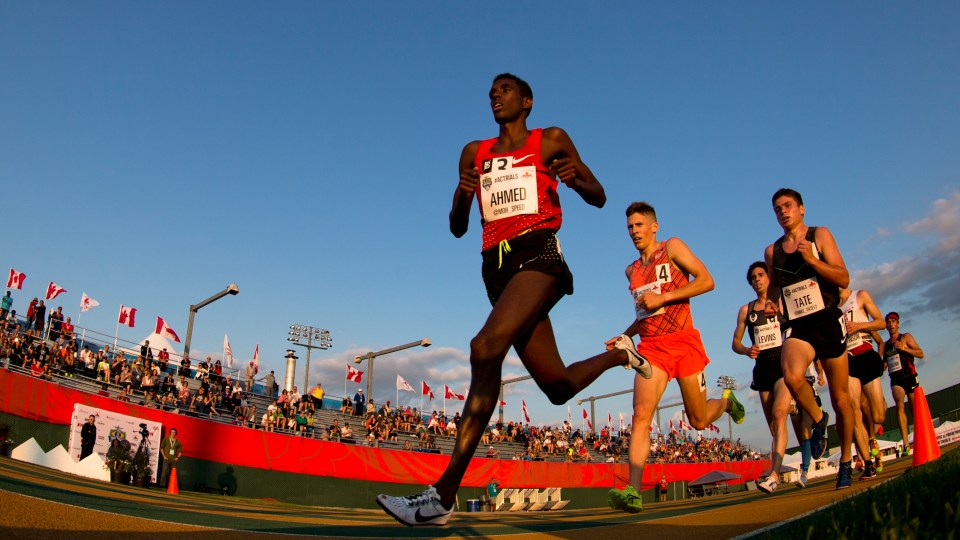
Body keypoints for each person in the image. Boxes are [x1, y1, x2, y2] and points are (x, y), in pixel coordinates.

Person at [377, 73, 651, 527]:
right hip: (496, 269)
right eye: (491, 92)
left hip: (538, 254)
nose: (495, 96)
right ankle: (621, 355)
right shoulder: (474, 152)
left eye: (504, 90)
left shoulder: (551, 139)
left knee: (485, 347)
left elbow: (599, 197)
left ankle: (442, 495)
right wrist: (462, 194)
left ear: (527, 101)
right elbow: (458, 228)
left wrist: (576, 181)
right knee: (557, 387)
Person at [607, 201, 743, 513]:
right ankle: (633, 491)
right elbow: (644, 312)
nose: (634, 231)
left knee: (698, 420)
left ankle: (727, 403)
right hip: (651, 349)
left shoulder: (672, 248)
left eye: (639, 225)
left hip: (684, 343)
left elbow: (707, 281)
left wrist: (665, 297)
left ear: (654, 226)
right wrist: (625, 336)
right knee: (641, 414)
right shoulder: (631, 270)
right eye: (629, 227)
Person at [764, 188, 857, 489]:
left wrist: (814, 261)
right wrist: (772, 302)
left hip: (827, 320)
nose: (783, 212)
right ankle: (818, 419)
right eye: (777, 209)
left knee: (841, 400)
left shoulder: (820, 235)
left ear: (802, 209)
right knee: (792, 376)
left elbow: (843, 278)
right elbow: (775, 286)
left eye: (788, 206)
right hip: (799, 324)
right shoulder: (772, 251)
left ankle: (845, 461)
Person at [839, 287, 888, 477]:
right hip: (848, 361)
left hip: (866, 355)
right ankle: (868, 463)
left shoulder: (860, 296)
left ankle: (876, 417)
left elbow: (881, 322)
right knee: (853, 411)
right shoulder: (832, 307)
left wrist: (858, 326)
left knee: (878, 416)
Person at [883, 311, 924, 455]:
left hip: (910, 376)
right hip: (896, 380)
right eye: (888, 322)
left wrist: (904, 348)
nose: (891, 324)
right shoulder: (886, 346)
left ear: (898, 324)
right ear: (886, 326)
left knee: (915, 409)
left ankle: (921, 438)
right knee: (899, 406)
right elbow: (884, 365)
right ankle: (906, 444)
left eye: (893, 321)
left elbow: (920, 353)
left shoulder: (906, 337)